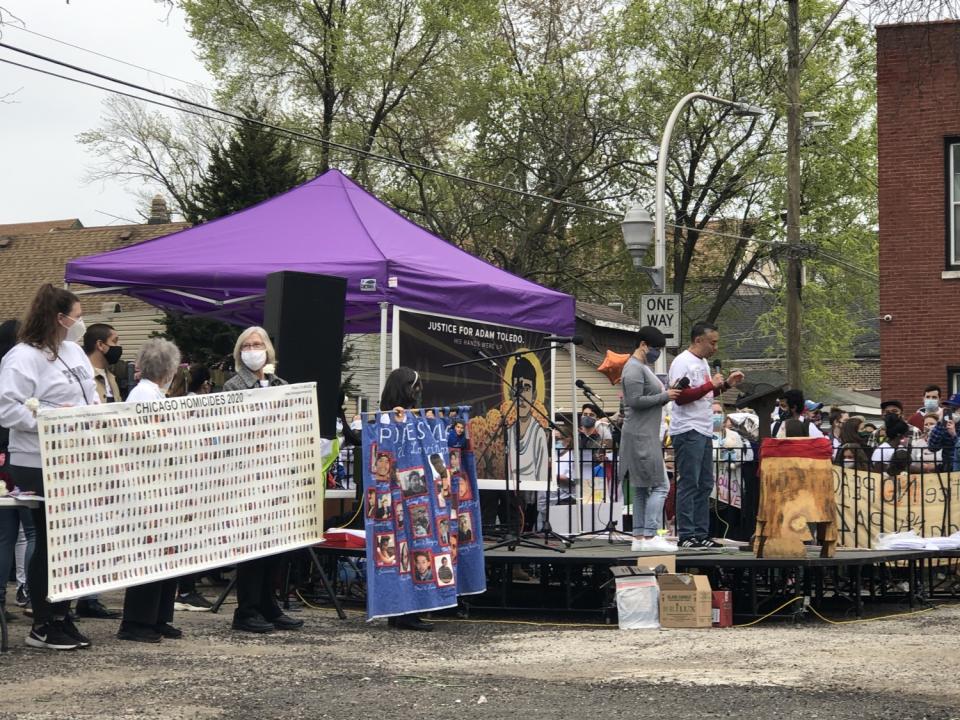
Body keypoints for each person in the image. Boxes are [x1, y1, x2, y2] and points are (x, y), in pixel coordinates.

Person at [0, 284, 98, 650]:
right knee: (50, 538)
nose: (80, 321)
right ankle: (43, 622)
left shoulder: (73, 349)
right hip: (37, 460)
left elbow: (90, 395)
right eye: (77, 314)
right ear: (59, 318)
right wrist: (57, 417)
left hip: (77, 456)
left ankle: (62, 613)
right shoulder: (22, 357)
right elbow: (8, 409)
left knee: (73, 541)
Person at [222, 326, 303, 633]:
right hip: (246, 477)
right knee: (252, 548)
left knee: (276, 546)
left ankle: (269, 604)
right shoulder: (232, 388)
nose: (253, 349)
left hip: (278, 476)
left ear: (268, 350)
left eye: (258, 344)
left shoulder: (281, 385)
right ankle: (247, 609)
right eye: (247, 345)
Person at [116, 339, 184, 643]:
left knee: (164, 553)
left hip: (160, 485)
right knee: (149, 554)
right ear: (169, 369)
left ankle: (157, 616)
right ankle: (137, 620)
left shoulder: (152, 392)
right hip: (146, 486)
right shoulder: (144, 394)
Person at [667, 322, 744, 548]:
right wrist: (710, 384)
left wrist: (727, 384)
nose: (715, 347)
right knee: (690, 481)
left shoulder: (703, 362)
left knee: (704, 482)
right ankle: (686, 534)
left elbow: (706, 392)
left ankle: (701, 533)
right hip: (688, 428)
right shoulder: (682, 362)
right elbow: (679, 396)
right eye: (713, 342)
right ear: (698, 340)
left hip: (703, 427)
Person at [72, 323, 124, 621]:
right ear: (101, 345)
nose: (118, 347)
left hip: (109, 464)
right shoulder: (88, 379)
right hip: (87, 464)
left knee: (101, 532)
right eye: (115, 341)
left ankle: (90, 596)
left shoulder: (111, 378)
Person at [380, 366, 434, 632]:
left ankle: (410, 609)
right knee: (400, 552)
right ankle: (400, 611)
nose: (418, 391)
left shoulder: (415, 418)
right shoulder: (387, 420)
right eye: (414, 386)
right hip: (396, 497)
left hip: (415, 496)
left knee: (416, 550)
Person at [618, 327, 680, 552]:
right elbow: (634, 401)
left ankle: (639, 537)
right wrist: (666, 396)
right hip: (642, 435)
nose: (657, 353)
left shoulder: (640, 367)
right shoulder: (634, 368)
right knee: (661, 485)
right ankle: (651, 534)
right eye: (656, 348)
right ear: (643, 344)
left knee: (642, 487)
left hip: (643, 433)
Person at [0, 319, 36, 624]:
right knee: (25, 531)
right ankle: (26, 590)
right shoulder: (15, 371)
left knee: (8, 534)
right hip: (12, 455)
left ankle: (1, 599)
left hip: (8, 455)